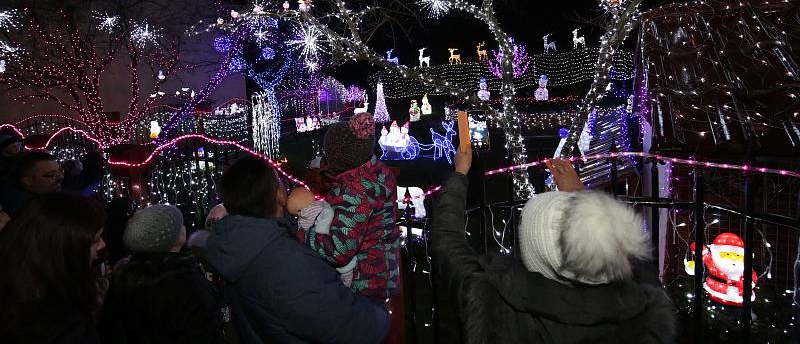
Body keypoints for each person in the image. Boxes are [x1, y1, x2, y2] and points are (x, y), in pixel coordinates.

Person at [430, 149, 676, 344]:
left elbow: (446, 239)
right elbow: (635, 256)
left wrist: (460, 173)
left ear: (535, 251)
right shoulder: (645, 308)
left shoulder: (491, 301)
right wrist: (585, 203)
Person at [205, 155, 388, 344]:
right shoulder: (286, 263)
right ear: (280, 196)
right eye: (279, 181)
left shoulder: (233, 247)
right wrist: (378, 306)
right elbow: (356, 328)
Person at [288, 112, 400, 301]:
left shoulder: (356, 193)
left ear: (338, 158)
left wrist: (302, 233)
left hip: (366, 283)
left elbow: (338, 251)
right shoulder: (376, 170)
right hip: (383, 269)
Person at [99, 204, 223, 344]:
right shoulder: (186, 282)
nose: (183, 226)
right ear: (168, 237)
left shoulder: (123, 276)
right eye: (179, 224)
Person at [0, 193, 107, 343]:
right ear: (64, 248)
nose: (103, 244)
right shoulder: (65, 331)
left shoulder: (17, 284)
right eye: (95, 240)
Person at [0, 151, 64, 217]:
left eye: (60, 171)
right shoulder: (29, 214)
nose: (61, 177)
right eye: (52, 175)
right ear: (28, 181)